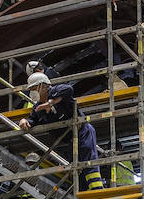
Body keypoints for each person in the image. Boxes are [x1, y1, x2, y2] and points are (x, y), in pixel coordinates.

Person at [19, 62, 105, 191]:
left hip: (82, 132)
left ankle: (97, 192)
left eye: (33, 89)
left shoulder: (56, 91)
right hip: (69, 138)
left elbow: (68, 89)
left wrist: (50, 102)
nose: (32, 93)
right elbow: (32, 119)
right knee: (76, 167)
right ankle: (83, 194)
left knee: (88, 161)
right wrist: (24, 121)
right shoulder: (37, 107)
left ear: (43, 86)